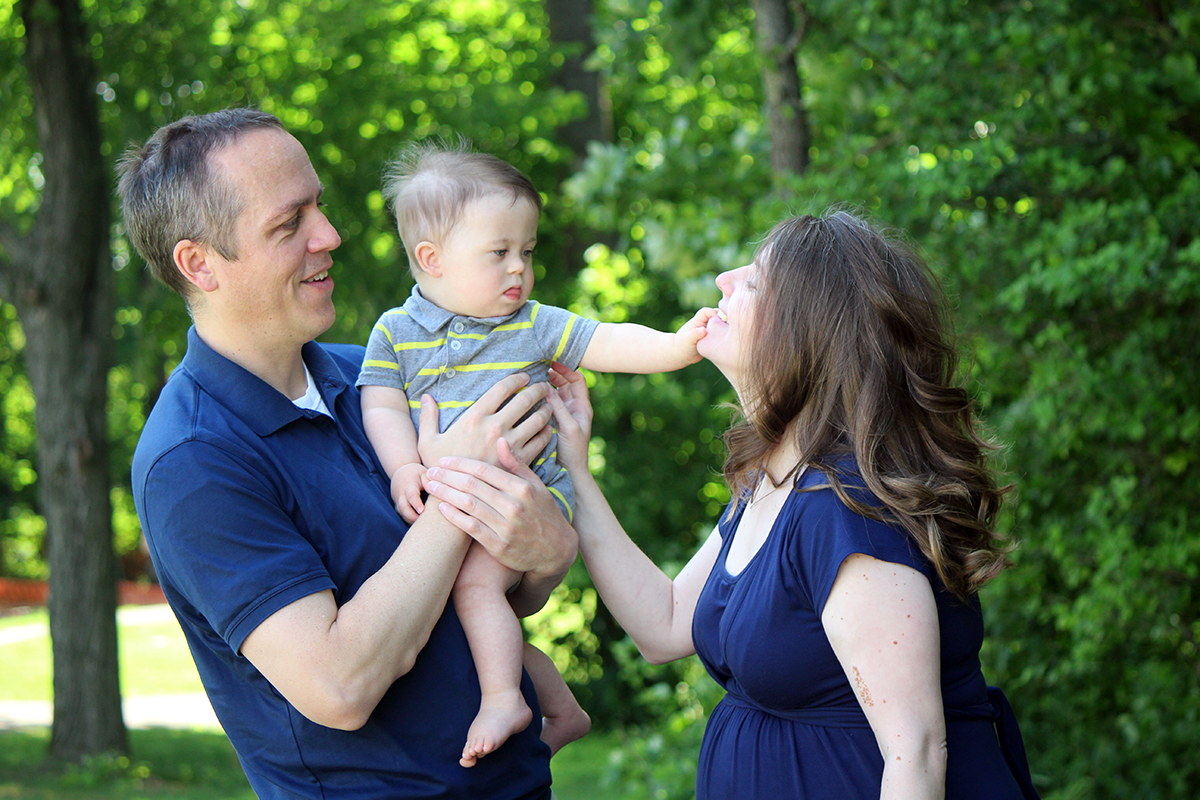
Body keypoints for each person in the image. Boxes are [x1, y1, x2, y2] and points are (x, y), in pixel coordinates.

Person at [426, 209, 1042, 799]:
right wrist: (576, 475)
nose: (724, 280)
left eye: (754, 280)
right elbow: (665, 625)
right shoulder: (775, 486)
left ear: (806, 331)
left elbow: (918, 749)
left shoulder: (847, 510)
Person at [118, 108, 579, 800]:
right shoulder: (191, 462)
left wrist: (549, 553)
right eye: (288, 224)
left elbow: (488, 597)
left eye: (319, 207)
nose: (329, 236)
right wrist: (459, 488)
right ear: (200, 264)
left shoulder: (369, 379)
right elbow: (340, 684)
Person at [358, 139, 712, 766]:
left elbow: (606, 340)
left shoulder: (533, 324)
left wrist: (676, 347)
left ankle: (504, 699)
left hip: (527, 498)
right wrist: (406, 467)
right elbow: (382, 405)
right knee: (452, 612)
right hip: (457, 505)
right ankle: (562, 708)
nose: (518, 269)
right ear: (431, 258)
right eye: (498, 254)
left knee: (472, 591)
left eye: (526, 251)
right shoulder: (394, 332)